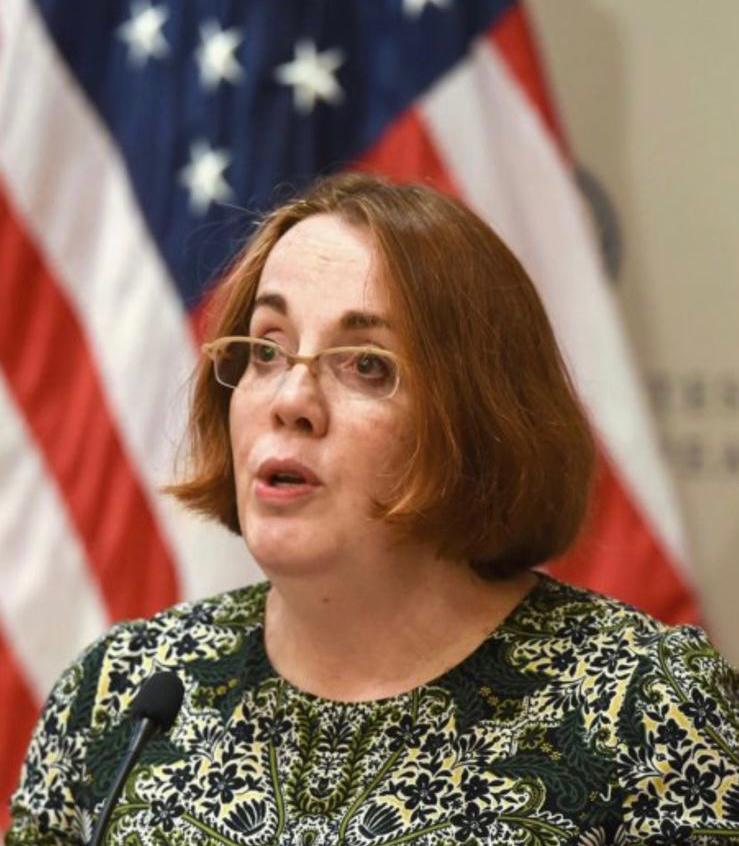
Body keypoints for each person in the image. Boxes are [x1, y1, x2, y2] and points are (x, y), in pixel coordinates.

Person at [7, 174, 739, 845]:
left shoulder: (644, 707)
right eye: (266, 350)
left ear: (476, 421)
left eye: (365, 364)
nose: (291, 400)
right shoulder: (123, 694)